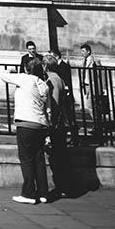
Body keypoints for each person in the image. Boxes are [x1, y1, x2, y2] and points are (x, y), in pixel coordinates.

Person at [0, 56, 51, 204]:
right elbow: (48, 108)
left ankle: (28, 194)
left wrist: (11, 70)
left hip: (26, 123)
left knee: (26, 158)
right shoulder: (44, 85)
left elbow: (3, 76)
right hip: (41, 124)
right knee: (39, 159)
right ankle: (43, 193)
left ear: (27, 69)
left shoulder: (25, 78)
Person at [44, 52, 72, 198]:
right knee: (61, 154)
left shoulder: (52, 80)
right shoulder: (59, 79)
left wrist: (50, 124)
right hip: (61, 123)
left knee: (57, 157)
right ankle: (65, 186)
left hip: (56, 125)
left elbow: (53, 104)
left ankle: (63, 187)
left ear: (45, 66)